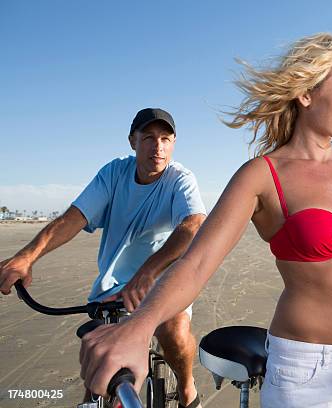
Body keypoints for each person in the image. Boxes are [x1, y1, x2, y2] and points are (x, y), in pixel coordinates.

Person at [79, 34, 332, 407]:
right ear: (305, 94)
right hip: (305, 373)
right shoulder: (261, 175)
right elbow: (197, 263)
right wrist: (138, 329)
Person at [0, 108, 206, 408]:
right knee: (98, 377)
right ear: (132, 141)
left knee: (174, 329)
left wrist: (147, 273)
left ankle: (187, 389)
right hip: (113, 290)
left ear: (173, 143)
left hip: (162, 282)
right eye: (148, 137)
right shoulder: (113, 174)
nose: (157, 146)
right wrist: (26, 257)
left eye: (165, 138)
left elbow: (192, 225)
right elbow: (73, 218)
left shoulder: (180, 179)